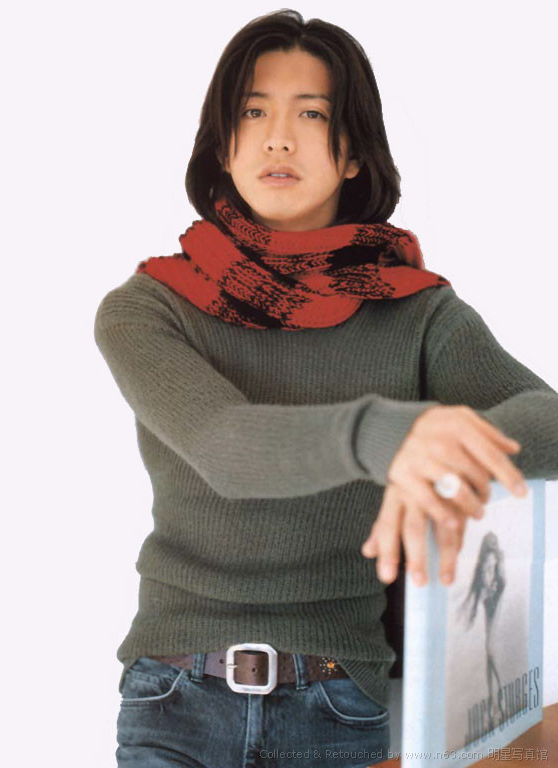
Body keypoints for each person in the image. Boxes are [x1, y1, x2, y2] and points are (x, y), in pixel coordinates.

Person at [92, 9, 558, 768]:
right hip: (174, 697)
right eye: (253, 112)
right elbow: (225, 445)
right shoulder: (147, 308)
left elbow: (551, 422)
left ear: (354, 154)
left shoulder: (417, 314)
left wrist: (449, 454)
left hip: (339, 701)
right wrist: (394, 438)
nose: (278, 138)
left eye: (311, 114)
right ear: (223, 145)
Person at [460, 532, 507, 731]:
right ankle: (493, 701)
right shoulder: (483, 562)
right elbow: (478, 588)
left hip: (496, 599)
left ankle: (501, 691)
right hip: (488, 600)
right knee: (488, 654)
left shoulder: (497, 557)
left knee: (490, 648)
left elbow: (501, 582)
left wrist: (493, 587)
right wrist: (474, 607)